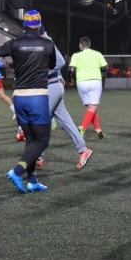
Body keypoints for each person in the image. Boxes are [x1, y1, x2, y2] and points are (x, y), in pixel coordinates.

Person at [0, 9, 55, 193]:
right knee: (42, 140)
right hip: (37, 96)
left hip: (19, 97)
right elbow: (52, 65)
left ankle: (33, 180)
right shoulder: (47, 44)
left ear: (25, 25)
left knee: (31, 140)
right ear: (38, 24)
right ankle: (17, 170)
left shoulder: (15, 43)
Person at [38, 27, 93, 169]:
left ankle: (37, 156)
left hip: (52, 87)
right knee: (65, 122)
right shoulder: (41, 41)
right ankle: (83, 150)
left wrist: (45, 73)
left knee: (40, 121)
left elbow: (60, 61)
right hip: (53, 86)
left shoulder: (45, 40)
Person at [68, 36, 108, 139]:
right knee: (93, 107)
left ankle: (98, 129)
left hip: (81, 82)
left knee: (89, 108)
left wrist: (70, 80)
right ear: (89, 45)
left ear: (80, 45)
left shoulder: (76, 55)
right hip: (95, 81)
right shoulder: (97, 54)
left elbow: (71, 70)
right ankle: (82, 127)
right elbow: (105, 68)